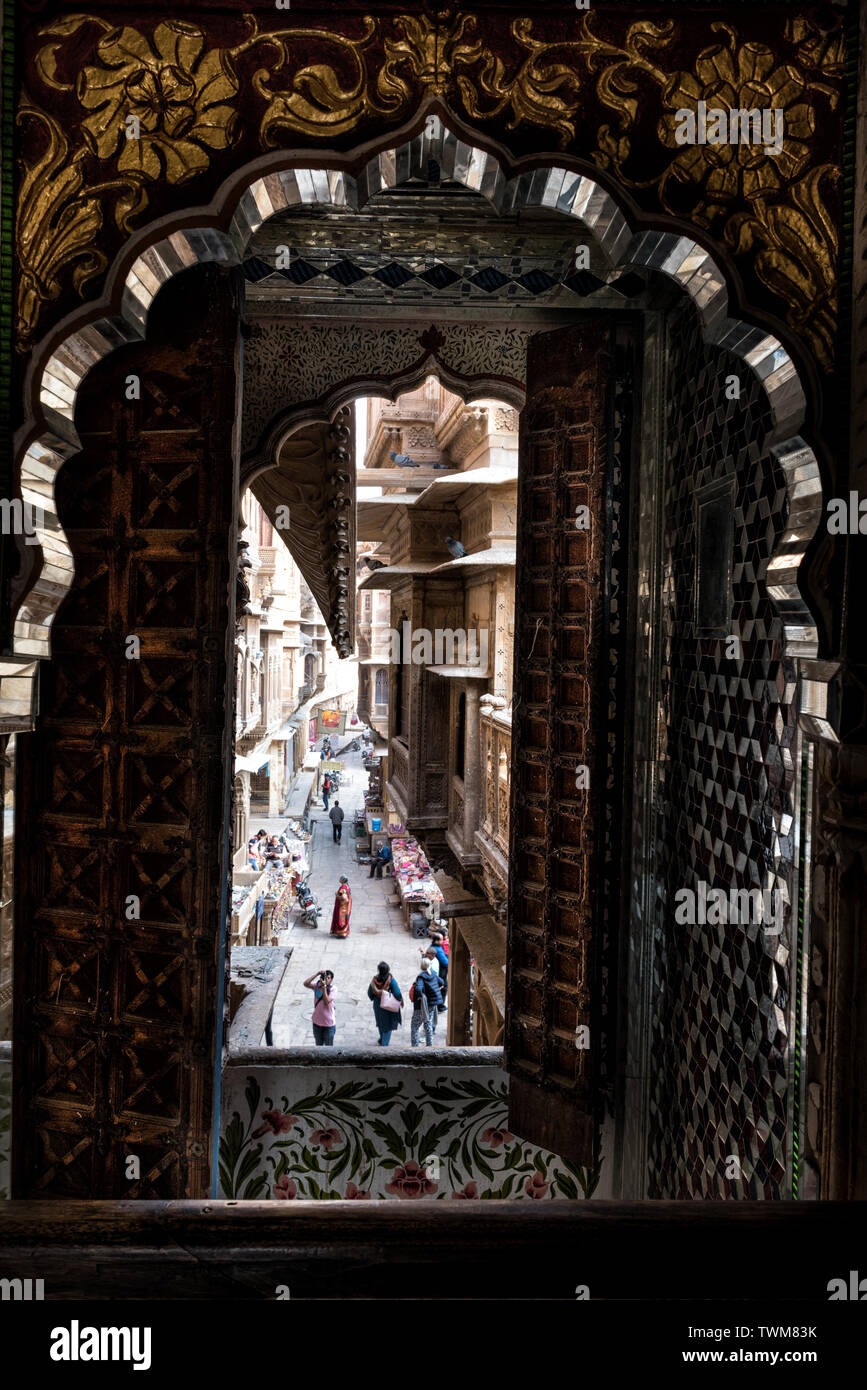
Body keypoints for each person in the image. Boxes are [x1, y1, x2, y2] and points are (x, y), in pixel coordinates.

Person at [368, 961, 403, 1045]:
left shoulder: (374, 980)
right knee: (387, 1026)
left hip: (377, 1005)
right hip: (388, 1006)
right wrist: (399, 1000)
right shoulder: (390, 980)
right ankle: (384, 1045)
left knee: (380, 1023)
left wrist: (375, 996)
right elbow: (398, 993)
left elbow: (369, 993)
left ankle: (382, 1039)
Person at [411, 957, 443, 1047]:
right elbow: (442, 982)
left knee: (414, 1026)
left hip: (422, 1006)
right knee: (428, 1024)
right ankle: (429, 1045)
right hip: (432, 1005)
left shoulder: (421, 977)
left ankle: (415, 1047)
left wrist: (421, 996)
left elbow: (418, 988)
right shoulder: (433, 974)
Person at [304, 969, 336, 1045]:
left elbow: (326, 1001)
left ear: (331, 980)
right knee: (318, 1046)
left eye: (328, 978)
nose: (326, 979)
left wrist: (324, 987)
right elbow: (306, 983)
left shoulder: (333, 989)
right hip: (317, 1023)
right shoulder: (317, 986)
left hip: (328, 1024)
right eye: (325, 977)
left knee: (329, 1048)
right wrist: (316, 974)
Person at [428, 934, 449, 1006]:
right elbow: (446, 963)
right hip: (441, 973)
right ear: (436, 941)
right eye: (441, 940)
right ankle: (440, 1005)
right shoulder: (438, 950)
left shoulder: (431, 946)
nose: (443, 941)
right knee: (443, 988)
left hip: (435, 972)